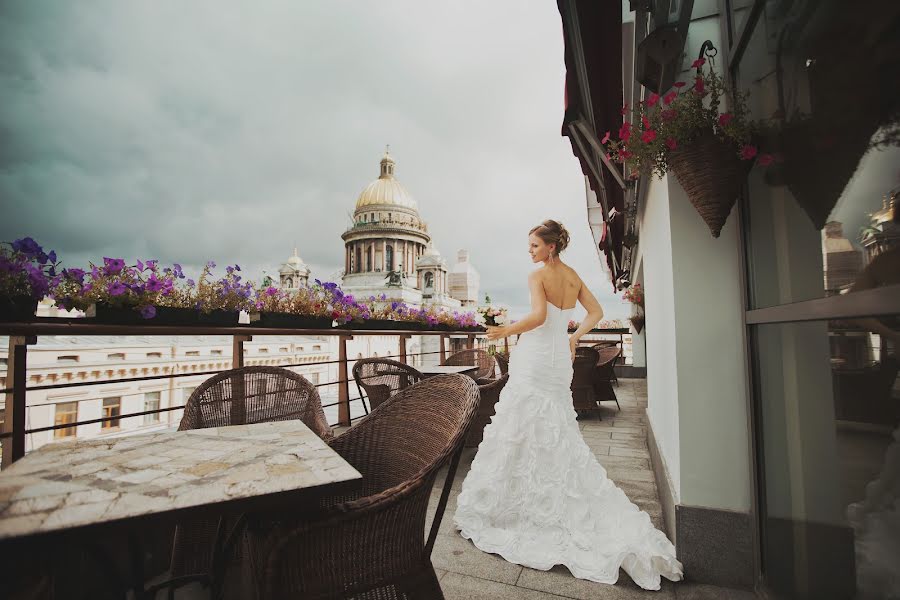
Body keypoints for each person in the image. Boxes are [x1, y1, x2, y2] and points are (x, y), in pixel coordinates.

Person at [453, 219, 683, 590]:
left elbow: (539, 317)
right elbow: (592, 313)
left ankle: (522, 502)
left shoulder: (538, 275)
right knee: (553, 423)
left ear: (551, 248)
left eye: (534, 246)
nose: (530, 251)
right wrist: (574, 337)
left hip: (538, 355)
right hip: (559, 355)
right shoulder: (574, 276)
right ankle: (545, 489)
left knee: (523, 422)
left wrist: (503, 330)